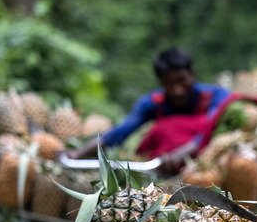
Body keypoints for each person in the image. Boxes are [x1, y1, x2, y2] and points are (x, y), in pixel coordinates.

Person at [67, 48, 231, 174]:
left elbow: (212, 130)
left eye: (182, 80)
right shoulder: (153, 103)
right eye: (168, 83)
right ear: (160, 82)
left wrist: (181, 153)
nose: (177, 91)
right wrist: (78, 154)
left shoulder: (215, 97)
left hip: (209, 169)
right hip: (166, 171)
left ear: (193, 74)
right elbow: (121, 132)